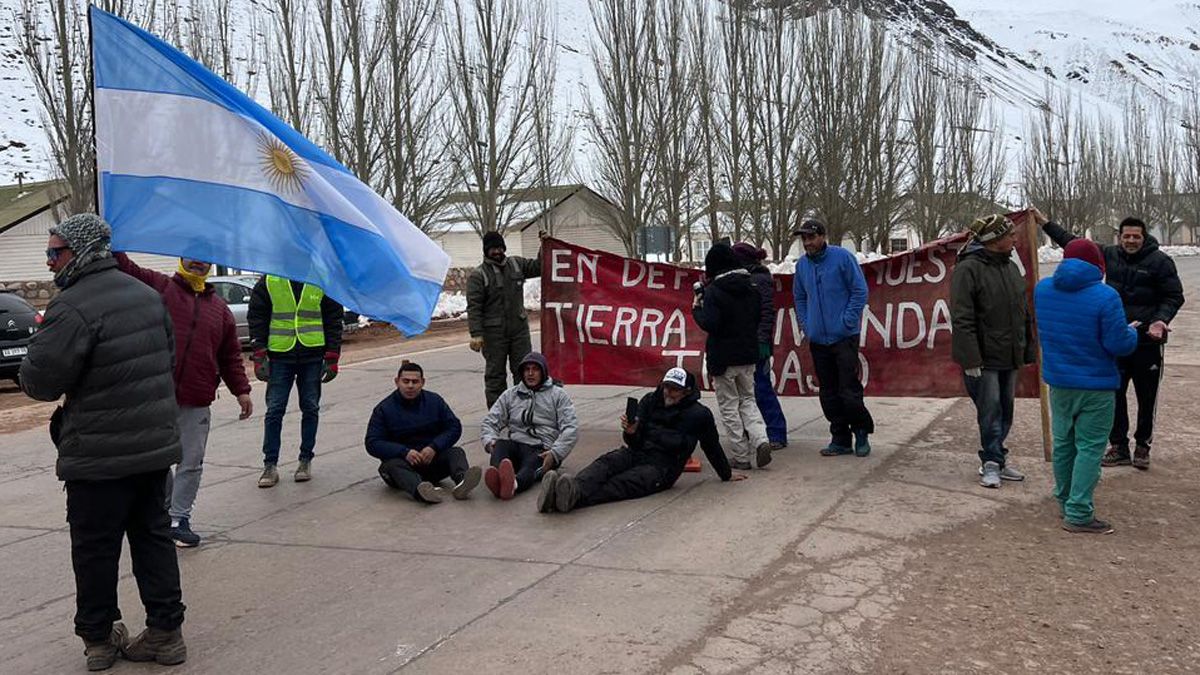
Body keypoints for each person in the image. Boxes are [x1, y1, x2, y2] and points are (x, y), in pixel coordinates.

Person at [19, 214, 187, 670]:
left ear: (82, 251)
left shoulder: (71, 307)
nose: (49, 261)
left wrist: (36, 354)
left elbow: (40, 383)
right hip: (152, 453)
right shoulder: (149, 297)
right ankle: (167, 634)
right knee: (153, 541)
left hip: (97, 457)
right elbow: (166, 363)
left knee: (95, 550)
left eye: (56, 252)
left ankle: (98, 640)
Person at [115, 253, 253, 548]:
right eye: (193, 257)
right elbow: (126, 267)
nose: (198, 263)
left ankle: (178, 519)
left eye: (205, 259)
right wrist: (116, 238)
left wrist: (241, 390)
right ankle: (161, 513)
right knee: (157, 461)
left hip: (197, 397)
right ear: (181, 258)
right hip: (156, 396)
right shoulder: (160, 287)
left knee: (190, 461)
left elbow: (229, 356)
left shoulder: (220, 310)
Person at [1041, 215, 1185, 470]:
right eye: (1126, 236)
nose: (1131, 240)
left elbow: (1173, 296)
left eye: (1136, 236)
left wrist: (1160, 320)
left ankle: (1143, 445)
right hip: (1114, 339)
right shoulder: (1110, 254)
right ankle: (1119, 446)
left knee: (1146, 397)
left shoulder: (1161, 262)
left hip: (1147, 342)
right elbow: (1073, 244)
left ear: (1144, 237)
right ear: (1120, 237)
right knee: (1114, 396)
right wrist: (1045, 224)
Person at [1035, 239, 1138, 534]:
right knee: (1090, 448)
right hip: (1096, 384)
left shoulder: (1042, 289)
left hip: (1059, 381)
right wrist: (1131, 334)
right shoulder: (1106, 296)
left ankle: (1065, 498)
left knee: (1064, 443)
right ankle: (1079, 512)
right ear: (1099, 266)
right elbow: (1117, 343)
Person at [541, 367, 747, 513]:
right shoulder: (650, 400)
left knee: (622, 484)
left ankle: (568, 498)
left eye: (674, 389)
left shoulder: (699, 415)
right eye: (666, 387)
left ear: (686, 392)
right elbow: (634, 442)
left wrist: (726, 474)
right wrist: (631, 431)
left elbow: (709, 446)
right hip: (637, 452)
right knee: (607, 463)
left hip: (662, 467)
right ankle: (570, 488)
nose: (668, 392)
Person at [950, 214, 1035, 488]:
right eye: (1009, 235)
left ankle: (997, 458)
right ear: (994, 240)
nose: (1015, 238)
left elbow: (1022, 313)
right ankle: (990, 462)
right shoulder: (968, 269)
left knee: (1005, 410)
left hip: (1009, 354)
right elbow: (962, 318)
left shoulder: (1010, 267)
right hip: (983, 358)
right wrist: (970, 358)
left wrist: (1027, 348)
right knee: (990, 411)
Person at [247, 274, 344, 487]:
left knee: (310, 408)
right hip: (280, 354)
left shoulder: (321, 279)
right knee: (274, 410)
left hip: (313, 354)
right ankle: (270, 465)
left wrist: (332, 356)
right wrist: (259, 352)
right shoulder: (271, 279)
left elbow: (333, 317)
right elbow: (257, 316)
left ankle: (305, 460)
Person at [791, 219, 874, 457]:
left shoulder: (842, 258)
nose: (808, 243)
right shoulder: (802, 266)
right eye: (804, 239)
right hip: (818, 339)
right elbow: (800, 297)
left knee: (848, 389)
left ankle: (860, 431)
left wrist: (847, 321)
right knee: (828, 391)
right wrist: (807, 325)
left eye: (811, 237)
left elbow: (860, 291)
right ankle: (840, 437)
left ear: (822, 237)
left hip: (844, 337)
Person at [693, 242, 772, 470]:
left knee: (729, 407)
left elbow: (711, 324)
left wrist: (697, 309)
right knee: (748, 400)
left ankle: (741, 455)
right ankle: (760, 439)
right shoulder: (752, 288)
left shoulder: (715, 292)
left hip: (723, 358)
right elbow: (757, 318)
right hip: (748, 354)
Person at [365, 361, 482, 504]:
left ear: (423, 382)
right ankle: (421, 492)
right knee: (391, 465)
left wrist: (434, 447)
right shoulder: (384, 409)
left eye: (415, 381)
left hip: (431, 463)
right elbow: (372, 442)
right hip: (402, 467)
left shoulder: (435, 401)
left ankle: (462, 482)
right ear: (397, 382)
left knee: (456, 452)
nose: (410, 386)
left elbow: (454, 427)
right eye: (405, 381)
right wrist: (404, 452)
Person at [480, 352, 579, 500]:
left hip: (542, 449)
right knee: (500, 446)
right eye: (527, 369)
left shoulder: (558, 395)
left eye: (535, 369)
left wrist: (555, 453)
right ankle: (499, 477)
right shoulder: (511, 395)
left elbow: (571, 428)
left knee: (532, 464)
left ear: (543, 372)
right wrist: (490, 442)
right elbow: (490, 421)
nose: (530, 373)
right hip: (516, 444)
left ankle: (513, 484)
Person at [466, 231, 547, 408]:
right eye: (492, 249)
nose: (496, 252)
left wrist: (545, 245)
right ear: (486, 251)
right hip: (493, 335)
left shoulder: (517, 264)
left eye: (499, 248)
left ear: (504, 248)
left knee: (525, 372)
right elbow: (474, 307)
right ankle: (498, 415)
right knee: (496, 377)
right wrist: (476, 334)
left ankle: (526, 411)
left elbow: (540, 266)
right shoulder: (478, 276)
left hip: (519, 331)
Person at [732, 242, 787, 449]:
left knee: (761, 388)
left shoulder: (758, 280)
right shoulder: (743, 278)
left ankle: (776, 433)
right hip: (744, 343)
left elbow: (766, 312)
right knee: (744, 391)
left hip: (757, 344)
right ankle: (754, 431)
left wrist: (762, 340)